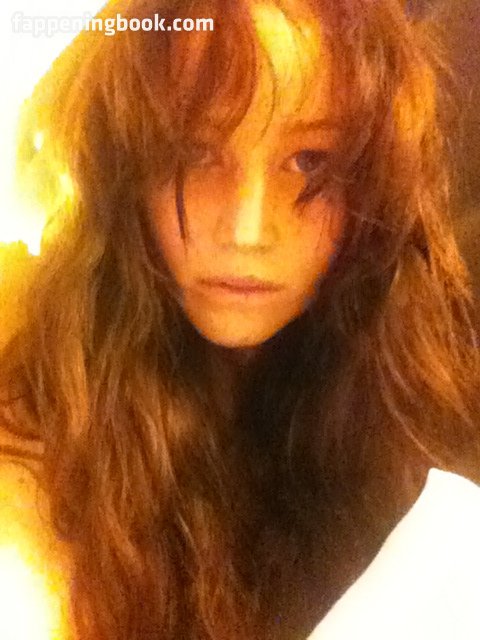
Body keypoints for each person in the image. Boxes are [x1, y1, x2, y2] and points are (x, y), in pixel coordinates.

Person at [1, 0, 479, 638]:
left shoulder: (413, 414)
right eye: (195, 152)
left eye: (311, 161)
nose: (247, 230)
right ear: (123, 166)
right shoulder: (43, 454)